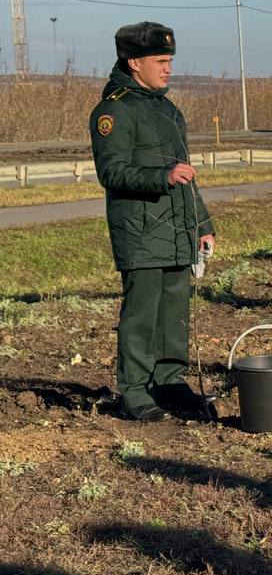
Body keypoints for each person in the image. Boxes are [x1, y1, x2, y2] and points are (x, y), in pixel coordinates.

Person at [89, 22, 215, 422]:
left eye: (170, 61)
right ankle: (135, 392)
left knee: (174, 313)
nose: (168, 69)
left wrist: (202, 224)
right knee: (142, 315)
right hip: (141, 232)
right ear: (134, 62)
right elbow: (112, 172)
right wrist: (161, 177)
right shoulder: (115, 110)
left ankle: (170, 382)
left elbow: (185, 176)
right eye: (160, 61)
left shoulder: (166, 109)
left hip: (177, 229)